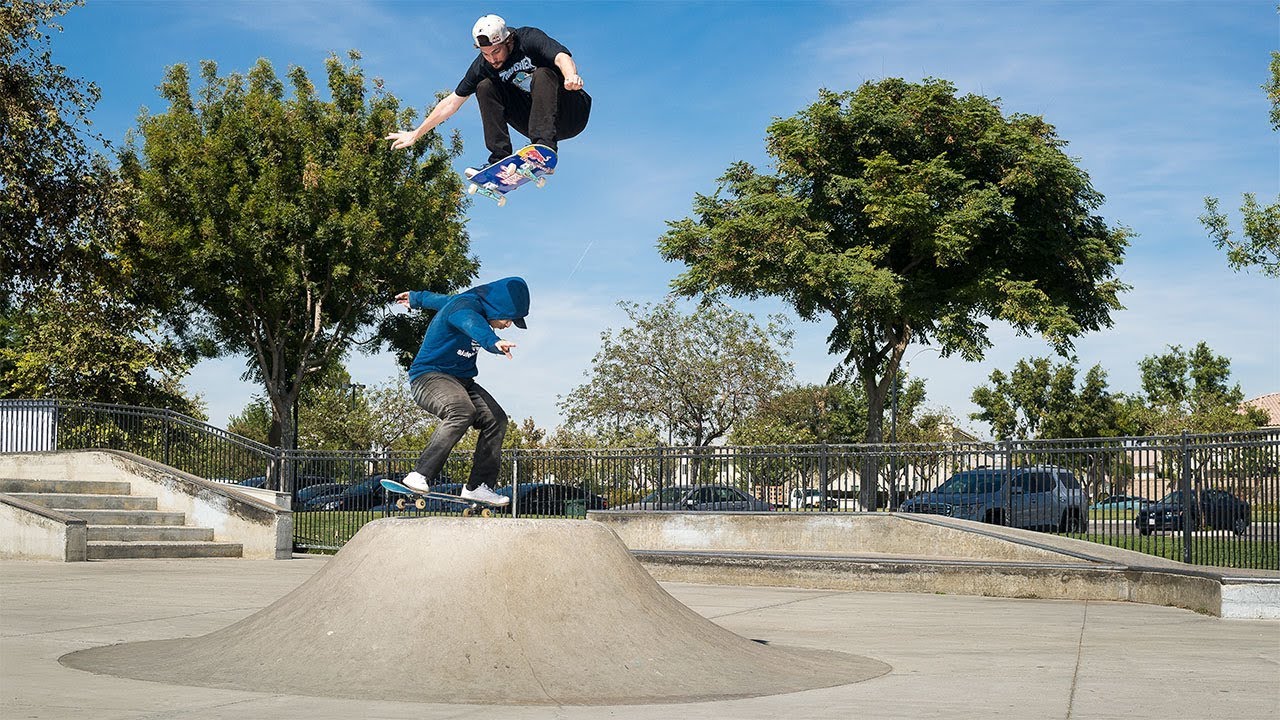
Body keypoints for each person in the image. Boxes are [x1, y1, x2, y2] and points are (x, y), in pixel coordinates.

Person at [385, 13, 591, 169]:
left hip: (572, 111)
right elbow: (451, 103)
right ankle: (499, 159)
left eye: (496, 51)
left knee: (543, 74)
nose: (492, 59)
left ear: (508, 41)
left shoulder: (528, 38)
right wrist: (417, 133)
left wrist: (570, 75)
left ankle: (542, 148)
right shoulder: (482, 67)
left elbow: (561, 56)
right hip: (536, 118)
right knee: (484, 86)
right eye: (486, 54)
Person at [394, 276, 531, 506]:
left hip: (462, 381)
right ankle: (420, 474)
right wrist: (492, 341)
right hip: (428, 376)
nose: (508, 325)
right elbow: (470, 322)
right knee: (461, 410)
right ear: (498, 307)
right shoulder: (465, 308)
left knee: (496, 419)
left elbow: (439, 300)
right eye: (509, 319)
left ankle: (478, 486)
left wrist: (417, 299)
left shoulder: (459, 301)